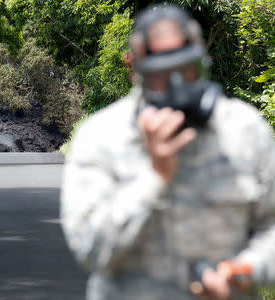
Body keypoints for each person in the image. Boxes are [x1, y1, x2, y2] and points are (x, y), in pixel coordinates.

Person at [60, 4, 275, 300]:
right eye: (161, 74)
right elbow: (89, 249)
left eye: (187, 69)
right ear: (134, 68)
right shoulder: (99, 138)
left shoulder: (246, 130)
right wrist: (155, 176)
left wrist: (241, 272)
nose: (177, 85)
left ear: (203, 57)